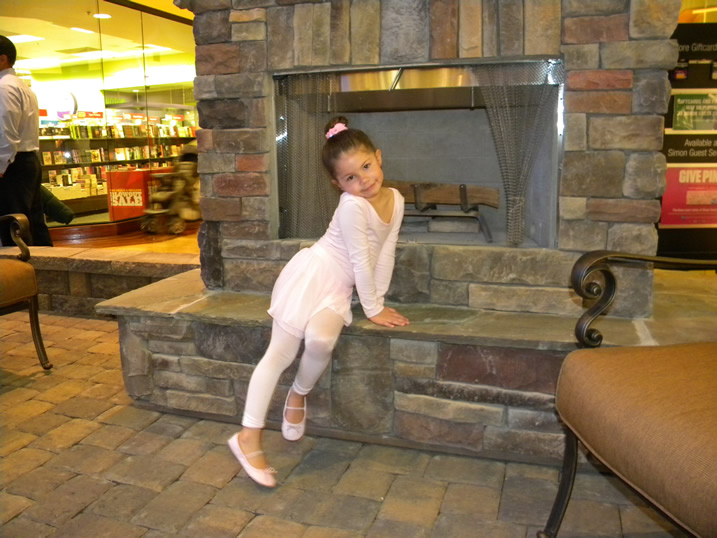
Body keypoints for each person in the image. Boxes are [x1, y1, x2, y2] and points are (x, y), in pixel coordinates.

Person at [227, 116, 409, 487]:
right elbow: (360, 259)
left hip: (338, 289)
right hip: (314, 275)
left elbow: (385, 252)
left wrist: (378, 301)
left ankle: (298, 395)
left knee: (322, 342)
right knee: (280, 354)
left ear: (378, 157)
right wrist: (372, 309)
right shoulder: (352, 206)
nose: (363, 180)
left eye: (366, 167)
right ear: (338, 184)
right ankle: (248, 437)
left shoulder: (397, 200)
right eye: (350, 177)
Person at [0, 35, 53, 246]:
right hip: (27, 160)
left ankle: (18, 266)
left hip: (12, 163)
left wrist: (0, 166)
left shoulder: (4, 88)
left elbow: (5, 133)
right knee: (33, 220)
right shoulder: (22, 86)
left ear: (2, 59)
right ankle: (47, 262)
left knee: (13, 224)